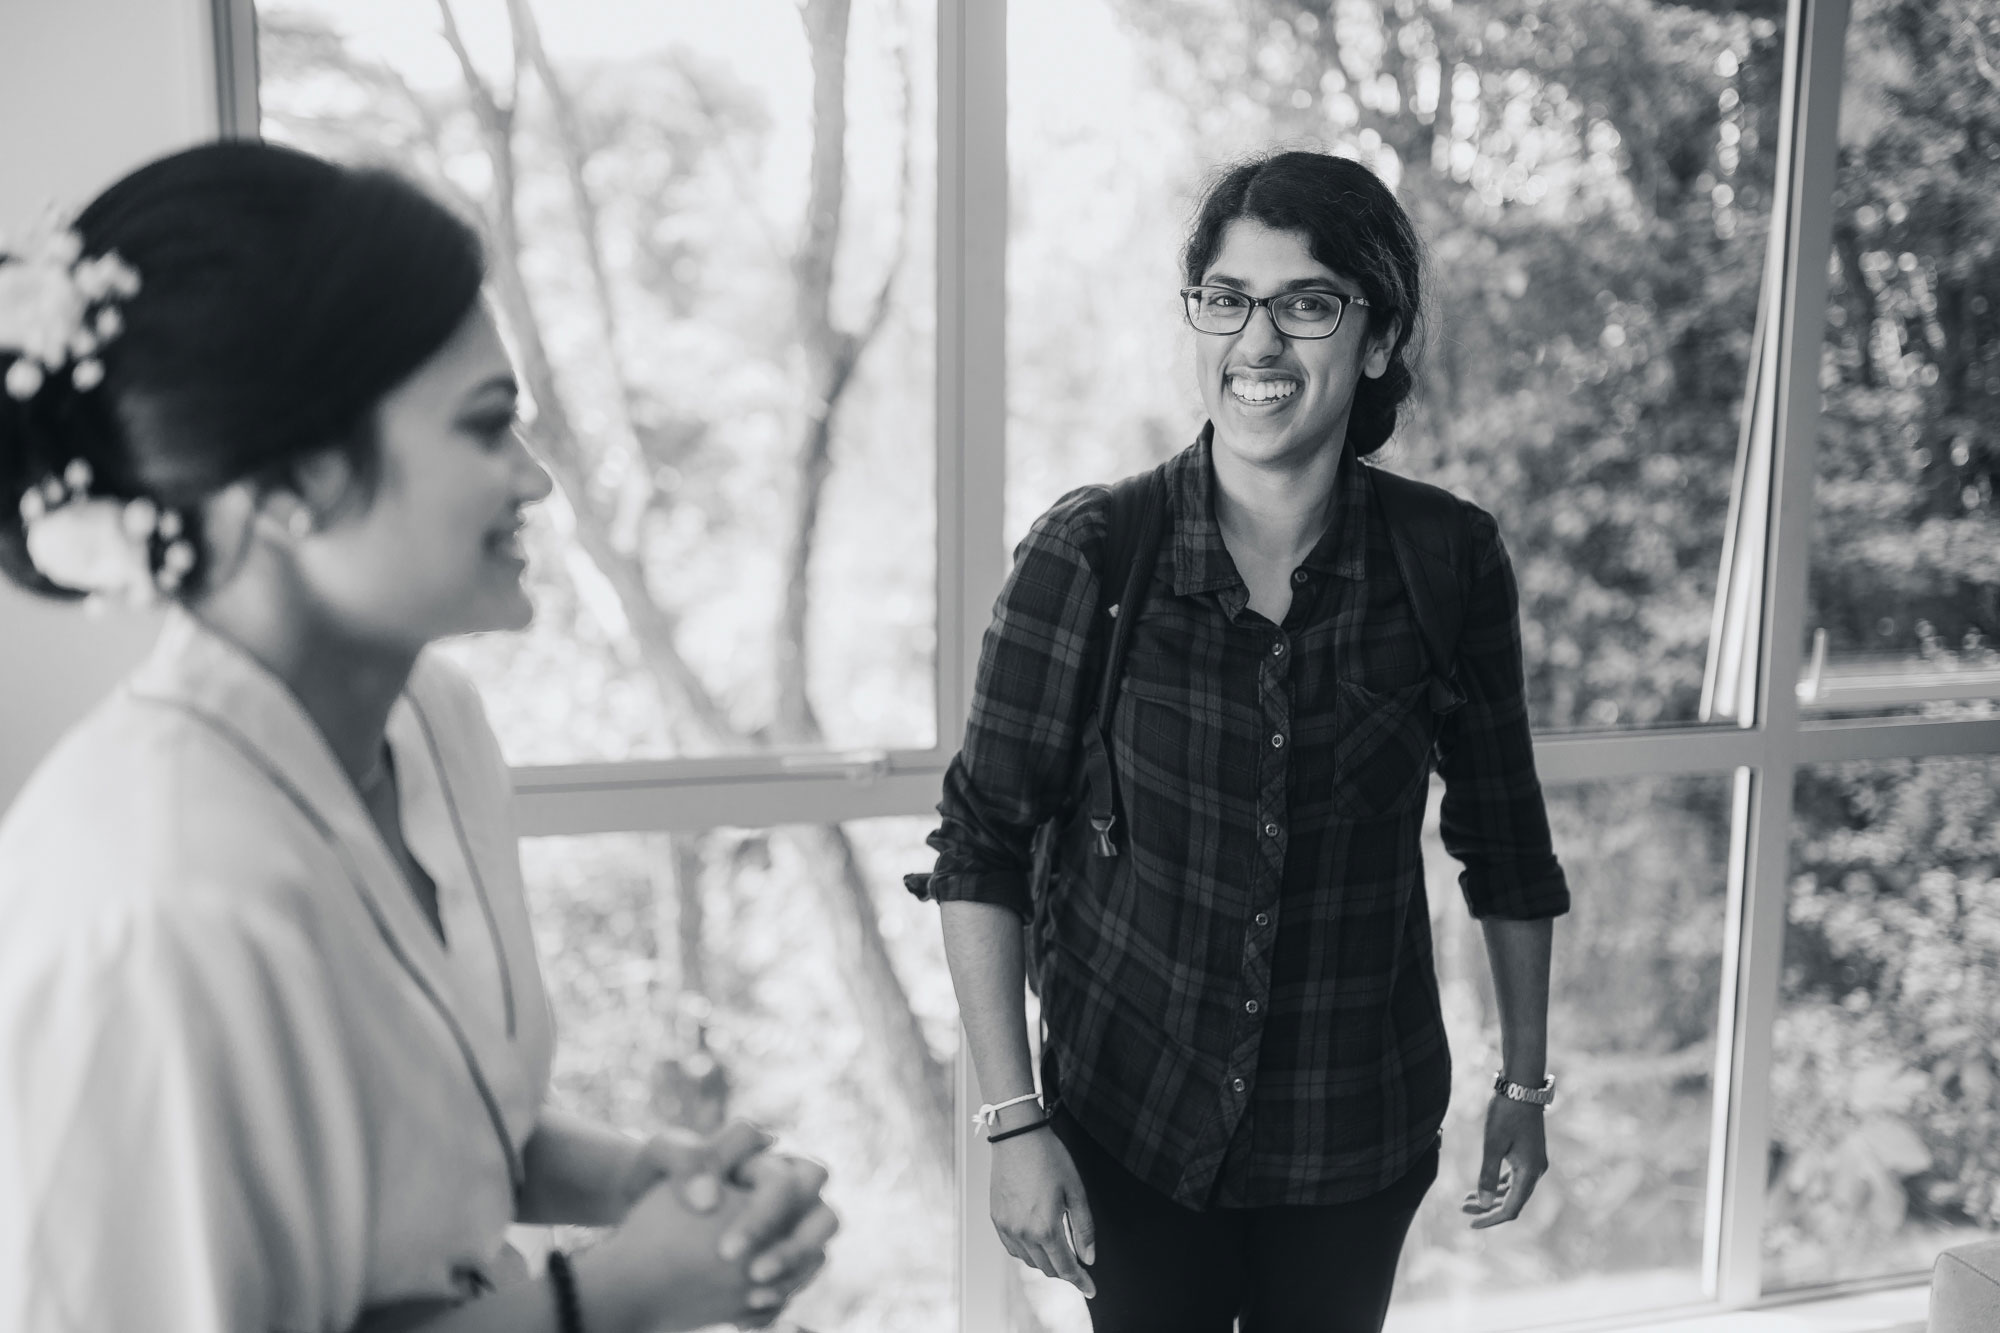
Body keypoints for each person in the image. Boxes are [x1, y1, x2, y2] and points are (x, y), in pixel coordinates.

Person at [0, 141, 836, 1333]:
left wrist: (641, 1177)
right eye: (488, 426)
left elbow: (427, 1117)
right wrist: (623, 1290)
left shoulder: (433, 722)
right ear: (290, 482)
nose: (535, 483)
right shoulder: (155, 895)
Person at [909, 150, 1570, 1332]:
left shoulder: (1445, 560)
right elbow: (981, 842)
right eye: (1225, 300)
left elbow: (1504, 842)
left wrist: (1523, 1082)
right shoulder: (1092, 554)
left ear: (1375, 339)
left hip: (1352, 1134)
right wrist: (1011, 1119)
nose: (1255, 344)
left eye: (1305, 304)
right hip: (1129, 1126)